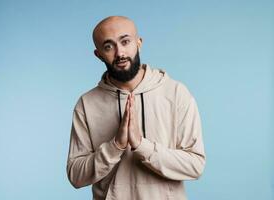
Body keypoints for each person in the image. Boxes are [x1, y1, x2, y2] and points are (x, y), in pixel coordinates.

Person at [67, 16, 206, 200]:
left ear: (139, 43)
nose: (120, 53)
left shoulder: (175, 93)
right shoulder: (87, 104)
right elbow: (76, 176)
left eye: (125, 42)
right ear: (98, 54)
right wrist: (115, 146)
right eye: (109, 46)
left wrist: (142, 146)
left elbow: (195, 165)